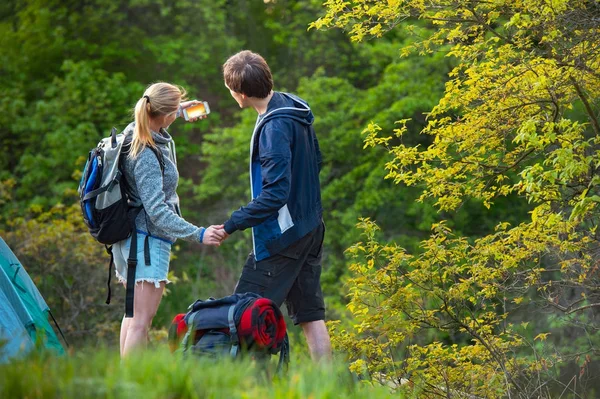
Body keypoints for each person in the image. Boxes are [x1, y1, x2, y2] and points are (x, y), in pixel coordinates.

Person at [219, 50, 332, 362]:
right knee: (311, 314)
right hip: (311, 226)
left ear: (239, 93)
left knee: (244, 312)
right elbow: (317, 160)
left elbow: (274, 195)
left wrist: (232, 223)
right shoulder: (293, 106)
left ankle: (250, 386)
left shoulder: (274, 128)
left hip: (285, 236)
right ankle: (329, 385)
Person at [113, 82, 225, 357]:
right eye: (174, 110)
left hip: (132, 241)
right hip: (147, 243)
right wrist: (199, 234)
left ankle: (125, 383)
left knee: (133, 316)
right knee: (141, 322)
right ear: (163, 114)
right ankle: (131, 386)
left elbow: (154, 125)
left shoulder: (134, 133)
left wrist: (177, 112)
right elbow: (158, 212)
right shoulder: (146, 155)